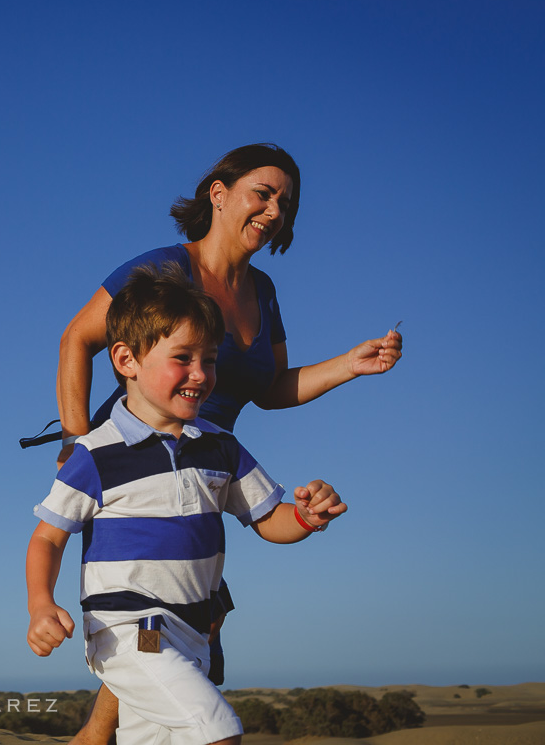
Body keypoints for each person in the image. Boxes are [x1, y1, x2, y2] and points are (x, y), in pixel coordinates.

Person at [53, 143, 402, 744]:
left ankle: (101, 736)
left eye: (285, 202)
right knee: (163, 621)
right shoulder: (164, 268)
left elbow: (268, 388)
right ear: (219, 193)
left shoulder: (263, 293)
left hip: (212, 464)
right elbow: (77, 339)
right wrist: (79, 439)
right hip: (138, 461)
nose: (274, 210)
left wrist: (350, 364)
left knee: (193, 624)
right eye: (262, 193)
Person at [27, 265, 348, 745]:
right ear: (126, 359)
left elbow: (268, 519)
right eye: (182, 358)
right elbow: (48, 537)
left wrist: (306, 516)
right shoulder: (94, 454)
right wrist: (40, 604)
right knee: (217, 731)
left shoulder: (221, 447)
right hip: (129, 632)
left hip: (195, 633)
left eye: (211, 360)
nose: (200, 374)